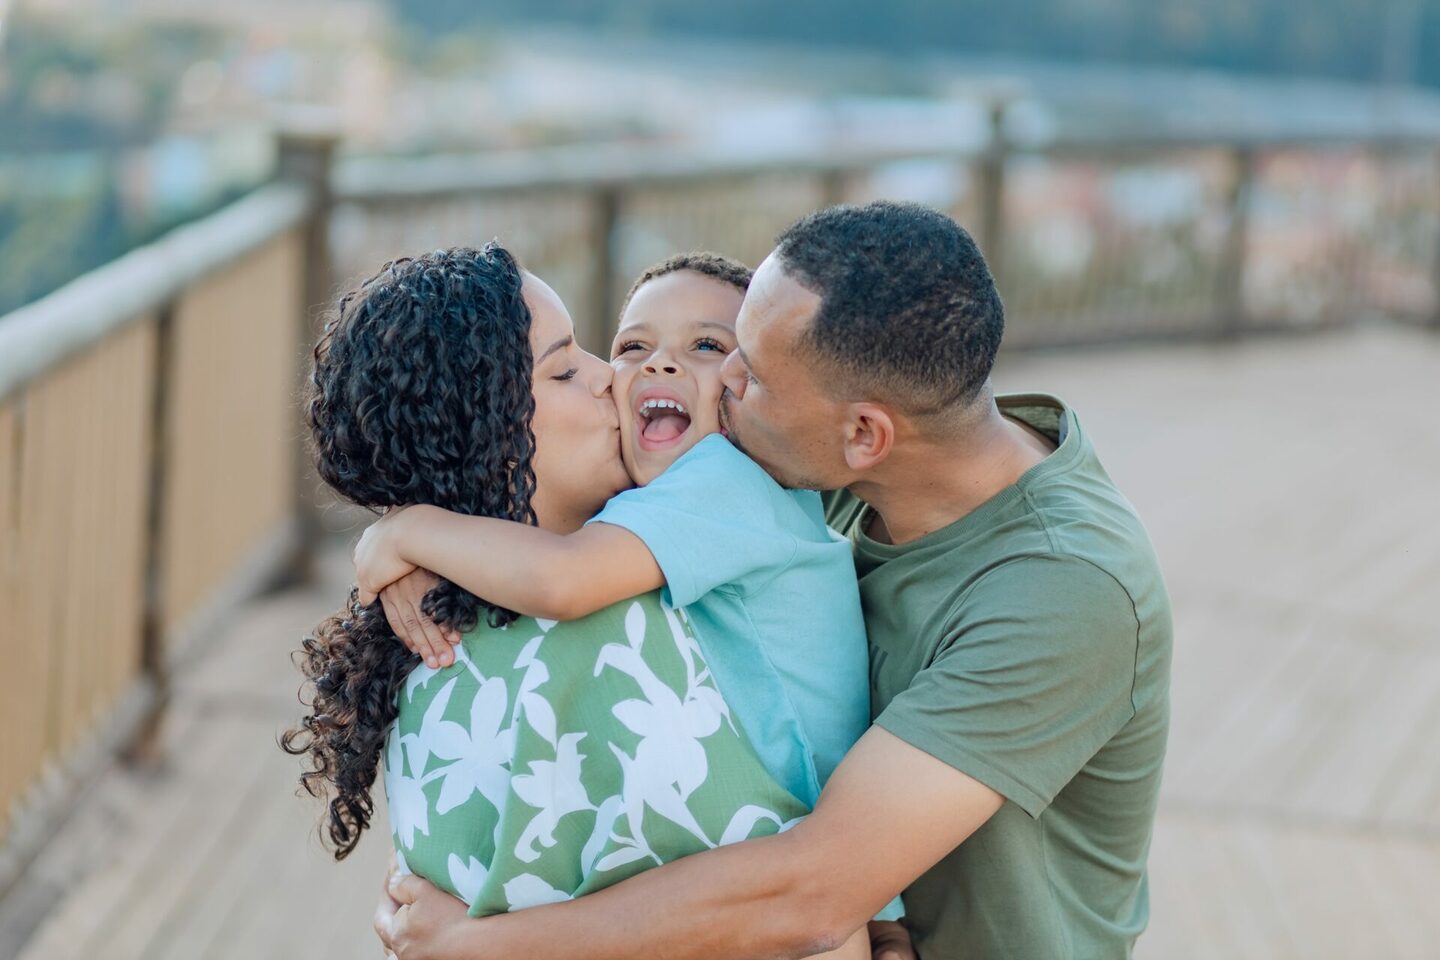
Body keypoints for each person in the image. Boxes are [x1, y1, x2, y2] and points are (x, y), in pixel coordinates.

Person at [374, 202, 1173, 960]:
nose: (717, 389)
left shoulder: (1065, 595)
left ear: (865, 435)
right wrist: (390, 540)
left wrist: (477, 946)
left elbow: (810, 893)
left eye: (743, 372)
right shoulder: (831, 454)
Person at [280, 245, 861, 958]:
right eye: (570, 365)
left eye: (708, 347)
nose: (613, 378)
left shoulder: (705, 504)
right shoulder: (525, 618)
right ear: (488, 433)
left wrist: (407, 528)